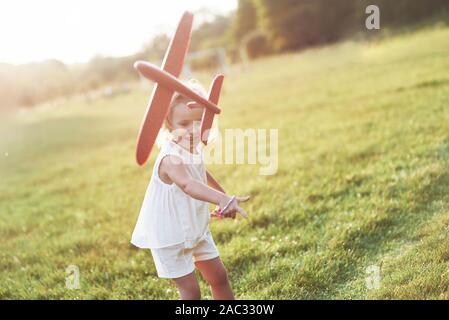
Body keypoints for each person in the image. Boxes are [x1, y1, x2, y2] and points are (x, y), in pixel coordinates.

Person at [131, 79, 251, 300]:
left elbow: (200, 172)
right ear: (168, 125)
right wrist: (222, 198)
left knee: (219, 277)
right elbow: (188, 184)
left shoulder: (192, 148)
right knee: (191, 291)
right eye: (184, 124)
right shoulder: (170, 158)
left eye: (199, 121)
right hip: (170, 236)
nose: (193, 130)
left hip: (195, 228)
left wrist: (222, 197)